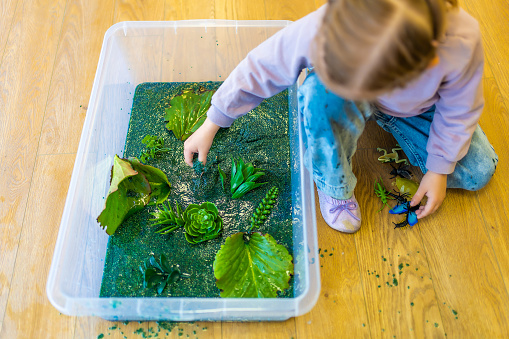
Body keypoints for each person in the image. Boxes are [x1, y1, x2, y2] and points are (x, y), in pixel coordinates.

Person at [183, 0, 498, 233]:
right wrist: (214, 120)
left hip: (418, 107)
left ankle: (385, 116)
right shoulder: (332, 23)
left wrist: (439, 169)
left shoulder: (460, 40)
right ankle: (333, 184)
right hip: (344, 97)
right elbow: (263, 65)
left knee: (477, 172)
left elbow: (460, 109)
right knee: (319, 99)